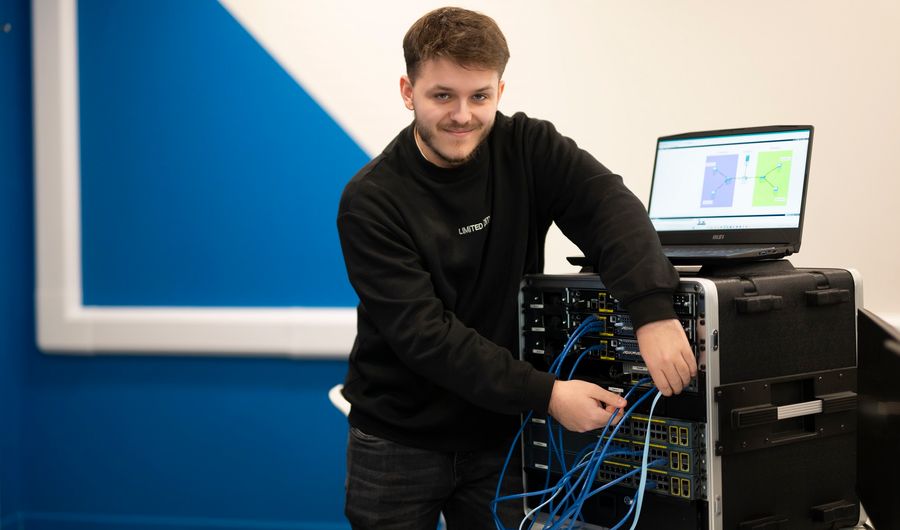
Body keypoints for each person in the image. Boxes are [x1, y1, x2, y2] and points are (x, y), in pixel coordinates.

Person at [336, 7, 696, 530]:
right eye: (443, 96)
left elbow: (606, 205)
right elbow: (428, 337)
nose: (463, 115)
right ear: (407, 91)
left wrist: (653, 311)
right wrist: (548, 395)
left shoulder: (528, 148)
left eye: (479, 96)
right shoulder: (371, 201)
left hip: (500, 439)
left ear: (500, 92)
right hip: (399, 442)